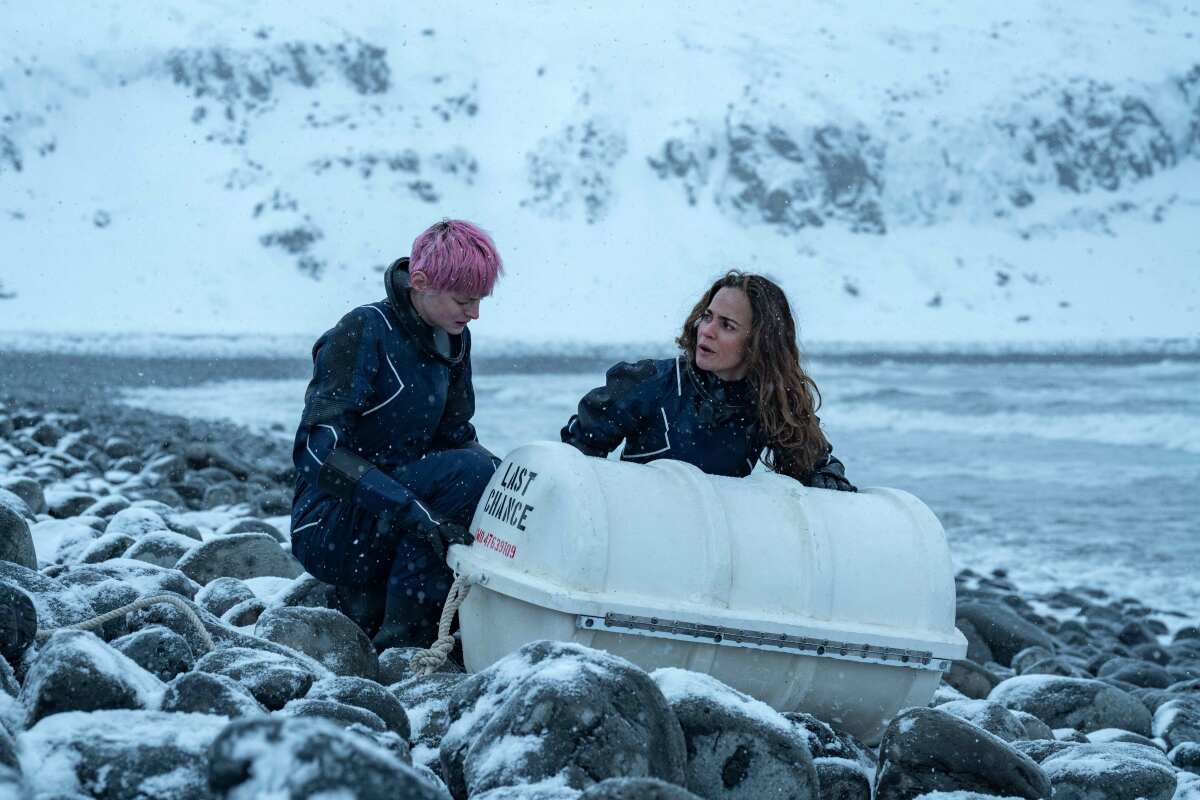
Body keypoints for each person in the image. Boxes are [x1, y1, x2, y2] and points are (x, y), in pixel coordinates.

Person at [290, 219, 503, 650]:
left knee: (491, 475)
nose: (474, 313)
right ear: (420, 282)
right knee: (468, 474)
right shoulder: (364, 330)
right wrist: (412, 511)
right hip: (328, 522)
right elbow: (315, 452)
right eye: (464, 300)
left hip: (391, 513)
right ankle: (403, 642)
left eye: (480, 301)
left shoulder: (452, 339)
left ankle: (399, 606)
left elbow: (456, 437)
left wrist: (513, 481)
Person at [561, 270, 855, 490]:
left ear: (760, 343)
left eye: (727, 325)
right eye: (708, 316)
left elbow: (817, 468)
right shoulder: (651, 383)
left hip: (711, 553)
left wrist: (829, 482)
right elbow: (575, 458)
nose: (707, 330)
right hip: (634, 543)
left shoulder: (771, 402)